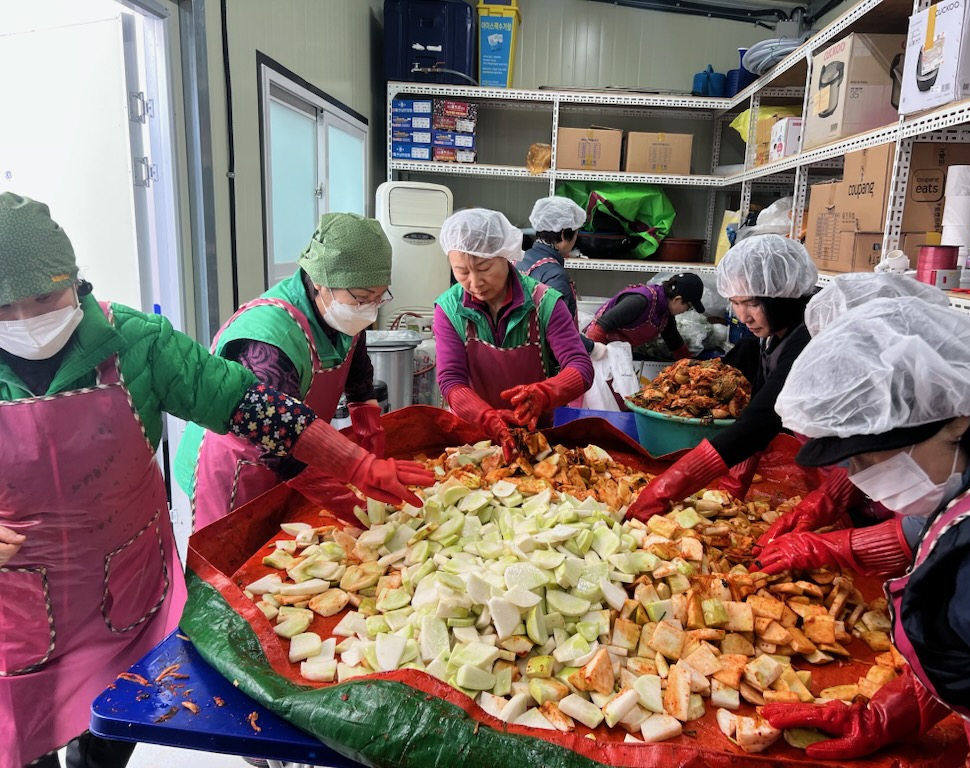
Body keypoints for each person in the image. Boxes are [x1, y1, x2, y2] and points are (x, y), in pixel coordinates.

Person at [0, 193, 434, 768]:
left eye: (45, 298)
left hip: (122, 584)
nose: (28, 321)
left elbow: (248, 404)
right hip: (19, 605)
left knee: (109, 730)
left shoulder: (136, 341)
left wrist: (356, 464)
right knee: (22, 738)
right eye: (6, 308)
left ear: (75, 282)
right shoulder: (271, 332)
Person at [761, 297, 970, 767]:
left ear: (955, 417)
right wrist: (895, 712)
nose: (858, 477)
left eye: (868, 457)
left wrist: (839, 547)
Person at [175, 212, 397, 531]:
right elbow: (275, 439)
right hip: (239, 466)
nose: (369, 309)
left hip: (295, 454)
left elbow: (360, 382)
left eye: (379, 297)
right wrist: (344, 499)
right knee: (233, 561)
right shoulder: (270, 338)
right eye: (362, 298)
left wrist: (370, 440)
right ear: (320, 281)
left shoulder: (343, 316)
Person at [753, 272, 952, 577]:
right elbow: (870, 455)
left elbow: (941, 520)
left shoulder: (941, 408)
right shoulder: (889, 397)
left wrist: (835, 548)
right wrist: (825, 501)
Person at [627, 234, 817, 521]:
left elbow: (761, 420)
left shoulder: (807, 339)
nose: (743, 317)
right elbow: (757, 409)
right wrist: (734, 483)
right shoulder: (769, 337)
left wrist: (670, 486)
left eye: (752, 303)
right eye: (735, 303)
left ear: (782, 294)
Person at [434, 208, 594, 458]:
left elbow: (580, 366)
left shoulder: (545, 303)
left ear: (507, 257)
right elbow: (451, 380)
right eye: (462, 272)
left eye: (484, 268)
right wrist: (486, 417)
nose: (475, 283)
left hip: (538, 438)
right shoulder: (449, 309)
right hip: (475, 440)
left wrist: (544, 393)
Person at [519, 195, 596, 352]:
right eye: (575, 234)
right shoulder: (555, 275)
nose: (575, 241)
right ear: (563, 234)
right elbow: (560, 332)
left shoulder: (519, 260)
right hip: (543, 362)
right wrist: (594, 348)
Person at [584, 273, 705, 360]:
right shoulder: (641, 300)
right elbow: (600, 326)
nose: (686, 311)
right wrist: (594, 358)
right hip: (596, 348)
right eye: (689, 307)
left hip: (617, 353)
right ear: (677, 299)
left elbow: (674, 341)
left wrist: (691, 367)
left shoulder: (665, 312)